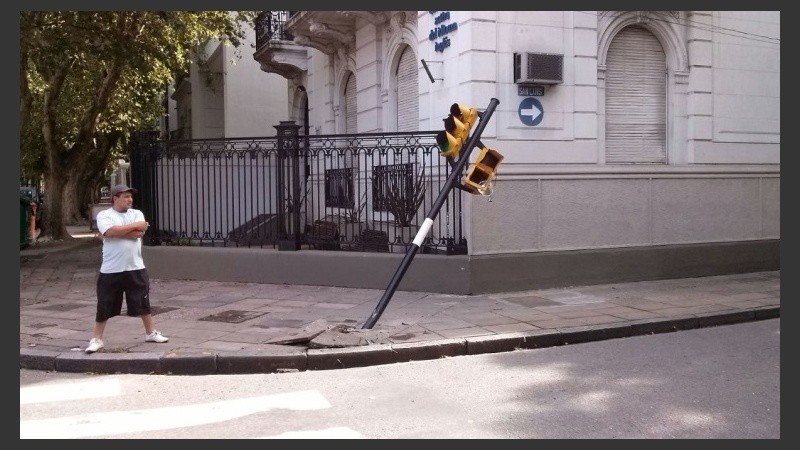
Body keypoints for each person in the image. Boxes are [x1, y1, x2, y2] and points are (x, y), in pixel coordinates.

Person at [85, 184, 169, 353]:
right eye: (125, 196)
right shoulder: (105, 215)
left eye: (131, 196)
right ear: (115, 198)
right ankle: (97, 339)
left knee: (142, 300)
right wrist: (129, 228)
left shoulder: (136, 213)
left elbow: (139, 232)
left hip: (135, 266)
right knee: (104, 303)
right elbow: (109, 232)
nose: (130, 199)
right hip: (111, 269)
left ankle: (150, 333)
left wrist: (117, 232)